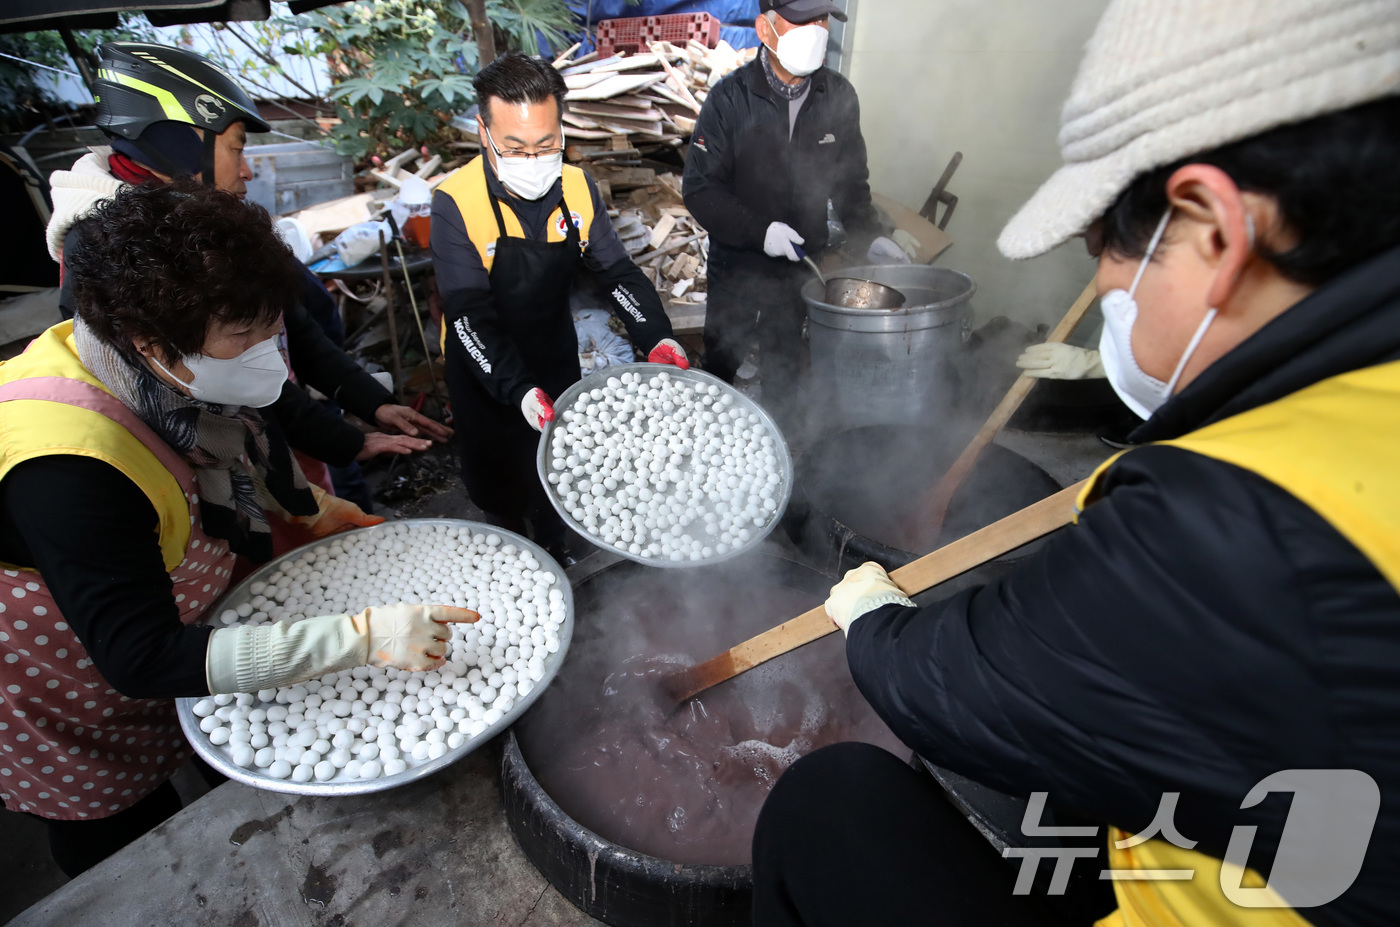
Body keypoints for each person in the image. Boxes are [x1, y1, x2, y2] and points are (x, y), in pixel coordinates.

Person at [752, 1, 1400, 925]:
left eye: (1108, 251)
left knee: (828, 807)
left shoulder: (1232, 522)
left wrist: (874, 626)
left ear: (1214, 229)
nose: (1102, 286)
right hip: (1245, 845)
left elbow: (959, 686)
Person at [0, 181, 477, 877]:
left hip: (176, 604)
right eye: (244, 337)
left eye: (270, 328)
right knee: (128, 834)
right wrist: (363, 638)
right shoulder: (68, 465)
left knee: (208, 746)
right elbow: (140, 657)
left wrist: (316, 509)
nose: (269, 354)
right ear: (148, 340)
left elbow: (233, 458)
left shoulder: (172, 379)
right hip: (69, 669)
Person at [44, 42, 451, 483]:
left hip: (295, 430)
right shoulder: (116, 248)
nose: (248, 170)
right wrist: (342, 441)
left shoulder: (202, 215)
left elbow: (291, 326)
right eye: (237, 149)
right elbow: (232, 379)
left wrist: (370, 402)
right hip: (232, 465)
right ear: (182, 143)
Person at [431, 51, 687, 561]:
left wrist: (655, 334)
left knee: (561, 475)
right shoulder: (455, 201)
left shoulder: (575, 188)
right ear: (485, 133)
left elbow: (616, 272)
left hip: (552, 352)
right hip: (485, 369)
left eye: (547, 144)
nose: (534, 160)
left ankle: (560, 549)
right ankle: (511, 557)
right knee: (501, 484)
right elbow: (466, 313)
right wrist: (518, 389)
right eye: (516, 146)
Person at [682, 0, 906, 434]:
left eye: (823, 20)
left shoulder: (838, 97)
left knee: (786, 365)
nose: (817, 31)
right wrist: (759, 232)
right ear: (765, 30)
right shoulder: (731, 99)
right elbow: (700, 190)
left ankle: (781, 454)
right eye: (803, 20)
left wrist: (871, 235)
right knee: (722, 362)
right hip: (738, 267)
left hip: (799, 268)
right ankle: (705, 440)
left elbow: (850, 185)